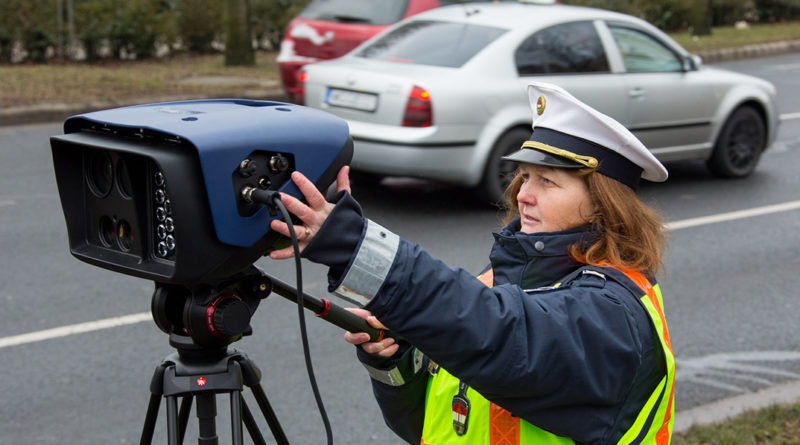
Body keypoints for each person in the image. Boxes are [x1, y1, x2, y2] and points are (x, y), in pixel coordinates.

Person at [268, 82, 675, 445]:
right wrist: (395, 358)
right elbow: (434, 426)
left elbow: (501, 335)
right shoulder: (508, 278)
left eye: (547, 181)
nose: (523, 195)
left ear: (604, 204)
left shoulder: (612, 313)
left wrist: (355, 246)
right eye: (525, 176)